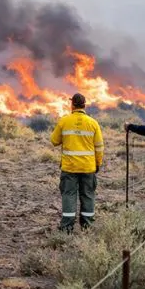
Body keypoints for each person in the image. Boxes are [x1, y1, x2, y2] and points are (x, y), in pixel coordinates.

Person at [50, 93, 104, 233]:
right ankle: (87, 227)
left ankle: (67, 227)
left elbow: (54, 141)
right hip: (88, 167)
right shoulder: (93, 123)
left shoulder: (64, 121)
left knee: (69, 195)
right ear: (84, 105)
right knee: (88, 194)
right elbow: (99, 147)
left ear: (72, 104)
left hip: (70, 167)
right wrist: (97, 163)